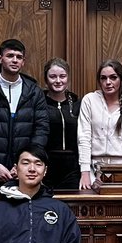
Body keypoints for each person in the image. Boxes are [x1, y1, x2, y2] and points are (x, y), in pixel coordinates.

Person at [0, 38, 49, 190]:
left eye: (19, 57)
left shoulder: (34, 92)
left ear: (23, 61)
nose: (15, 60)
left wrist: (24, 164)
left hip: (27, 171)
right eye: (10, 56)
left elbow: (42, 130)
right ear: (0, 59)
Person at [77, 59, 122, 192]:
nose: (108, 82)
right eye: (103, 78)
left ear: (121, 79)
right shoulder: (89, 100)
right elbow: (84, 138)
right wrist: (85, 172)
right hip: (95, 168)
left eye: (113, 77)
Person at [42, 58, 81, 191]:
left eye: (62, 76)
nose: (58, 81)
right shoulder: (39, 103)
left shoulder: (78, 104)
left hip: (73, 167)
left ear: (68, 78)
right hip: (46, 165)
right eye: (53, 76)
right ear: (46, 79)